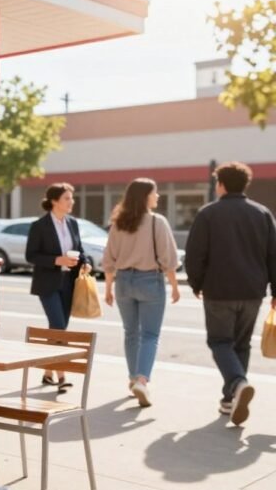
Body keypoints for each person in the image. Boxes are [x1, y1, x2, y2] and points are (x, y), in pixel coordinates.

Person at [185, 162, 276, 425]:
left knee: (220, 342)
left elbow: (195, 255)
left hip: (219, 290)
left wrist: (196, 283)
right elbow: (273, 256)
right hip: (252, 291)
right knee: (241, 345)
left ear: (221, 184)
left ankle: (237, 384)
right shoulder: (262, 214)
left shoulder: (208, 214)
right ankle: (229, 400)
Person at [101, 179, 180, 408]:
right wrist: (174, 286)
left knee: (130, 333)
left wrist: (107, 288)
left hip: (123, 281)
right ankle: (142, 380)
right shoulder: (157, 222)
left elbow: (109, 259)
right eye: (155, 193)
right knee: (150, 335)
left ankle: (134, 378)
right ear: (145, 196)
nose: (158, 196)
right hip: (150, 281)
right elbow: (168, 259)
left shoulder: (119, 223)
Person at [26, 182, 91, 392]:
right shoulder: (39, 226)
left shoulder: (72, 223)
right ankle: (62, 376)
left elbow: (79, 249)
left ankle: (47, 373)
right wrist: (57, 260)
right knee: (58, 326)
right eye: (67, 198)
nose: (72, 201)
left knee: (58, 329)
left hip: (69, 283)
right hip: (48, 283)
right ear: (54, 201)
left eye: (72, 198)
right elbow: (31, 255)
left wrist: (86, 261)